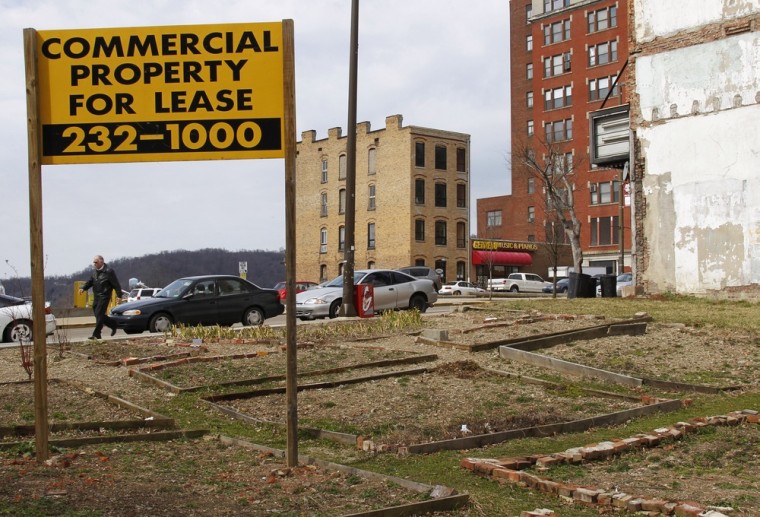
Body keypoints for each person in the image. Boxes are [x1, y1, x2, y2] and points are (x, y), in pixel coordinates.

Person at [79, 255, 122, 340]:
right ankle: (113, 323)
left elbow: (116, 285)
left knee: (99, 314)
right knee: (99, 315)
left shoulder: (109, 271)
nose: (94, 264)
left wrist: (119, 296)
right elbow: (90, 282)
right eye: (94, 262)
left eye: (96, 262)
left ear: (101, 262)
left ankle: (96, 334)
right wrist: (83, 288)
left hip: (104, 296)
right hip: (96, 297)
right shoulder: (94, 272)